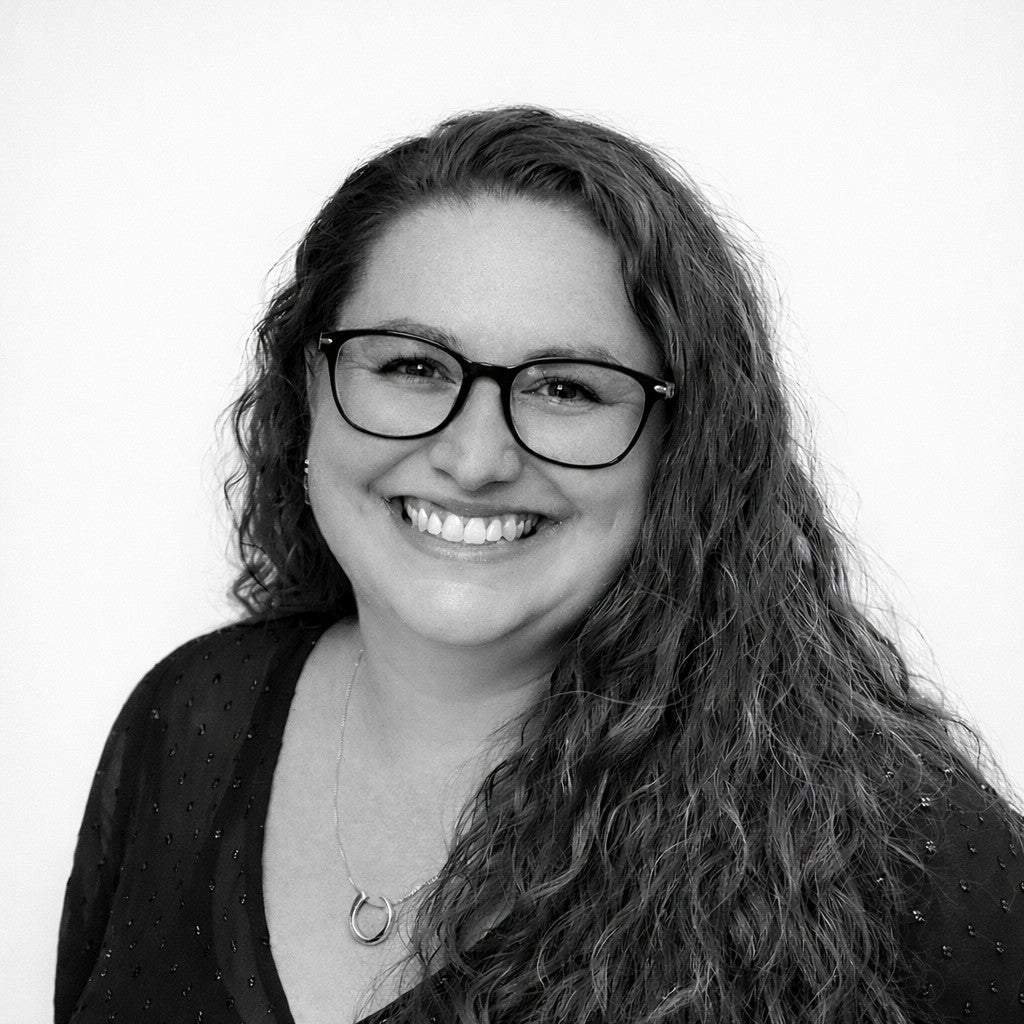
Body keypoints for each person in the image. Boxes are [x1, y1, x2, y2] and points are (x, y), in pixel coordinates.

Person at [55, 107, 1024, 1024]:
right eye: (410, 367)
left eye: (565, 388)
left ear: (681, 444)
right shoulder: (185, 722)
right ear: (308, 387)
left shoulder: (894, 846)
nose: (476, 457)